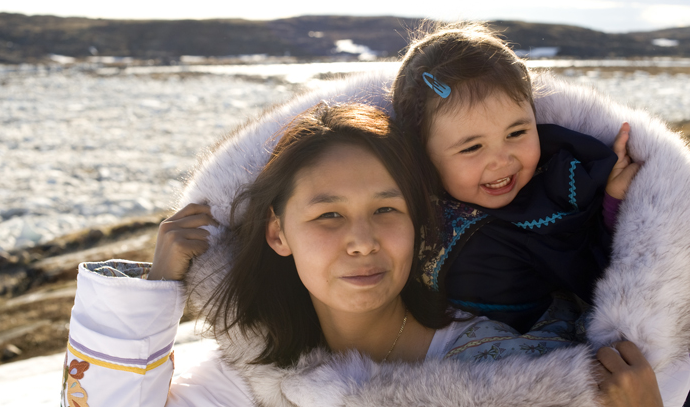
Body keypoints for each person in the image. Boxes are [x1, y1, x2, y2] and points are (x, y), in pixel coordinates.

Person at [62, 103, 664, 407]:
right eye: (328, 215)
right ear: (278, 234)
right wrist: (156, 286)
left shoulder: (505, 368)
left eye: (386, 209)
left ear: (420, 226)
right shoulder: (251, 377)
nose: (361, 240)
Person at [392, 22, 642, 332]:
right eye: (472, 147)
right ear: (421, 153)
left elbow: (597, 274)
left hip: (537, 343)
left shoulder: (556, 194)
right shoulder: (396, 200)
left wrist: (612, 200)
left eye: (517, 133)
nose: (502, 160)